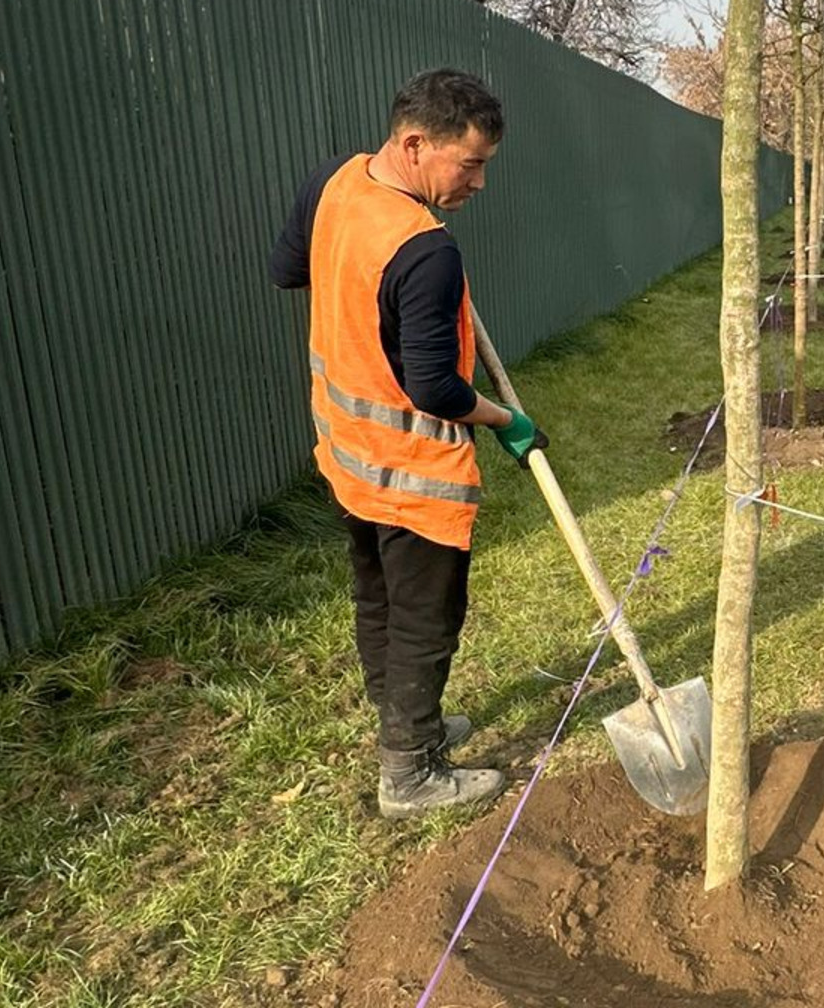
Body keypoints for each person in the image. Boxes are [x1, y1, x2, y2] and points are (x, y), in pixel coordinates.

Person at [269, 69, 546, 819]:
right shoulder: (426, 251)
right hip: (412, 472)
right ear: (416, 143)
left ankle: (405, 723)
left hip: (346, 449)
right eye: (471, 162)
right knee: (425, 617)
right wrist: (507, 421)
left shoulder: (338, 184)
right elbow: (438, 392)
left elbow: (289, 269)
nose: (480, 181)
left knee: (378, 597)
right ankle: (411, 773)